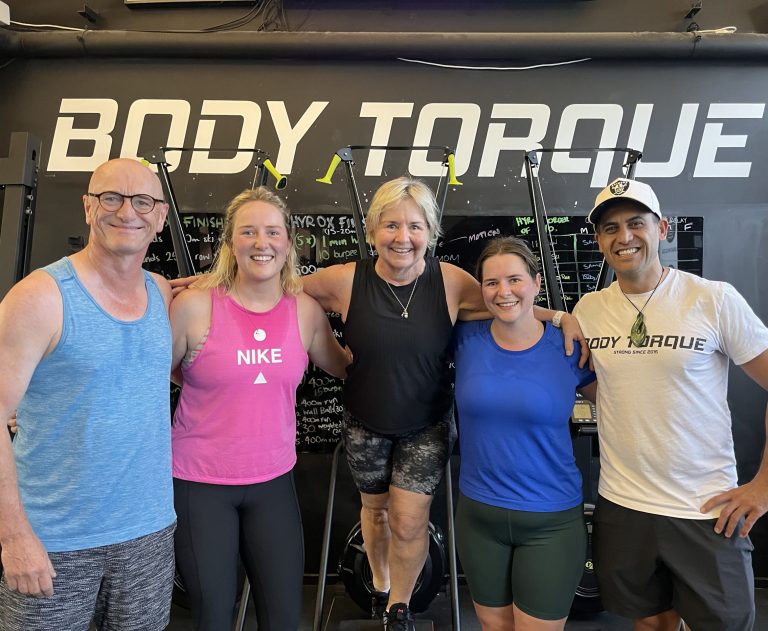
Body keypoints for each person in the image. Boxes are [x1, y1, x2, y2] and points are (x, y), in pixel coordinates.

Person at [298, 177, 586, 630]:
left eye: (415, 226)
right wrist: (215, 286)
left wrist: (560, 315)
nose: (403, 237)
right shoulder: (344, 279)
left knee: (408, 520)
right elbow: (277, 287)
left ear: (431, 233)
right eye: (391, 225)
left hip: (426, 423)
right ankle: (379, 584)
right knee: (375, 511)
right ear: (372, 231)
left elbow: (504, 301)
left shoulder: (450, 281)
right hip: (364, 422)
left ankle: (399, 608)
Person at [572, 177, 768, 631]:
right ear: (599, 240)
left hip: (705, 509)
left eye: (636, 223)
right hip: (623, 506)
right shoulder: (589, 310)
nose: (624, 236)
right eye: (610, 228)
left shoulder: (712, 298)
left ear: (662, 228)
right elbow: (605, 386)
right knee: (650, 624)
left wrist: (763, 487)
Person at [0, 158, 176, 630]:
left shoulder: (161, 293)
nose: (127, 212)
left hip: (148, 535)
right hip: (54, 541)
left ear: (160, 216)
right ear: (88, 207)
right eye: (111, 198)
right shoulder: (40, 297)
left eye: (143, 202)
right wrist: (13, 537)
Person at [169, 187, 350, 631]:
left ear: (288, 242)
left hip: (272, 482)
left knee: (284, 617)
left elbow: (347, 369)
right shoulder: (193, 306)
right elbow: (156, 374)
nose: (261, 242)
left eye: (272, 231)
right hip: (200, 483)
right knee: (213, 616)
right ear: (230, 243)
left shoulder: (305, 311)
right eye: (248, 232)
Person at [453, 236, 597, 631]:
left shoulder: (569, 346)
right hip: (478, 518)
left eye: (515, 280)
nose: (503, 292)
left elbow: (620, 405)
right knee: (493, 627)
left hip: (550, 521)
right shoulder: (463, 339)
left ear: (536, 282)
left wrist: (561, 319)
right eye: (492, 283)